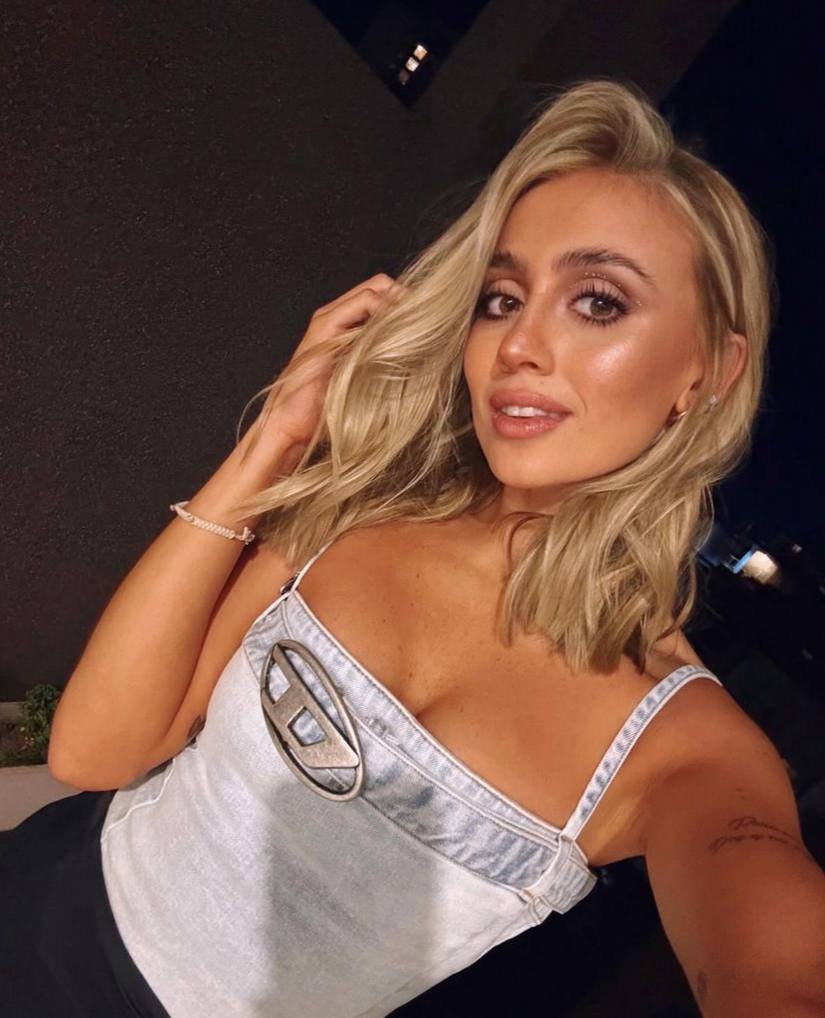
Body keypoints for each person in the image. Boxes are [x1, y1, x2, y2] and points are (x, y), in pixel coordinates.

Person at [4, 77, 825, 1017]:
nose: (518, 344)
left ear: (706, 372)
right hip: (33, 899)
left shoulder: (685, 748)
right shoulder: (370, 507)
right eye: (501, 297)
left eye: (597, 302)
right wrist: (273, 441)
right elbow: (95, 752)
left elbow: (778, 976)